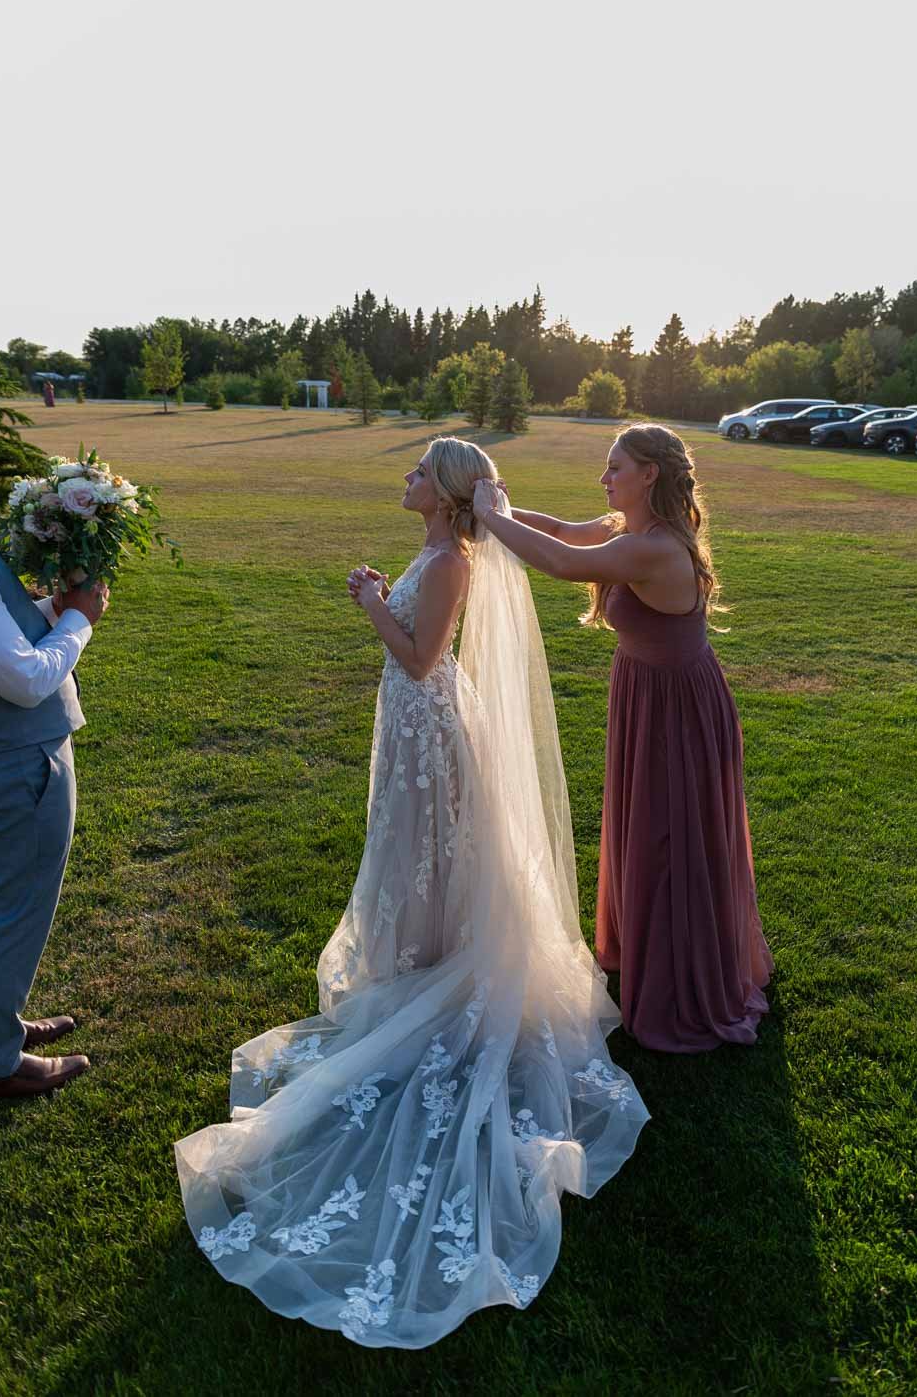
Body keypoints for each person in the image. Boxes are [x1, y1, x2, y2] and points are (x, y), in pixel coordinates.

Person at [175, 437, 647, 1348]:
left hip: (430, 730)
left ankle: (430, 976)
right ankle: (422, 960)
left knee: (423, 858)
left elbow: (424, 657)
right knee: (413, 862)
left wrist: (367, 605)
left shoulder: (452, 561)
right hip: (416, 730)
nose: (406, 480)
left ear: (447, 494)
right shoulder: (437, 553)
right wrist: (383, 593)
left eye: (418, 472)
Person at [472, 423, 773, 1053]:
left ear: (649, 476)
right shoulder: (628, 532)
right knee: (649, 828)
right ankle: (650, 951)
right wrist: (495, 506)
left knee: (671, 836)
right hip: (647, 692)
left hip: (678, 707)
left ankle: (684, 978)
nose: (603, 479)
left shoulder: (656, 548)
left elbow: (561, 562)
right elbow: (558, 530)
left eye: (614, 468)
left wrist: (485, 516)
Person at [0, 538, 109, 1100]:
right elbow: (25, 678)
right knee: (11, 910)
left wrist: (49, 613)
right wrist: (78, 620)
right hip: (14, 761)